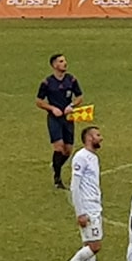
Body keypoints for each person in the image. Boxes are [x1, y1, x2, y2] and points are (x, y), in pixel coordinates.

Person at [58, 123, 105, 261]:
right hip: (87, 208)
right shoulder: (81, 157)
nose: (101, 138)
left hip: (94, 205)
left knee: (88, 246)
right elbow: (74, 186)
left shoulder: (93, 157)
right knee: (95, 246)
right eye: (98, 135)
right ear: (89, 138)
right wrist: (80, 212)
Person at [36, 52, 84, 189]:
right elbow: (39, 101)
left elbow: (80, 96)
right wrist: (51, 108)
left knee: (68, 150)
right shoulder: (47, 83)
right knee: (59, 147)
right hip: (54, 118)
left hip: (68, 118)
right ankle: (57, 178)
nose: (65, 63)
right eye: (61, 61)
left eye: (64, 61)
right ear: (54, 65)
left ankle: (56, 165)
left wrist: (72, 105)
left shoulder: (71, 80)